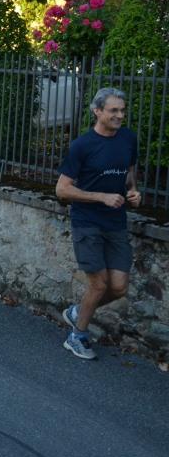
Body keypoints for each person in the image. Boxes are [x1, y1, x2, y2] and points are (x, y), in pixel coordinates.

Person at [56, 87, 140, 360]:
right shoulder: (82, 145)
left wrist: (133, 191)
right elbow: (62, 190)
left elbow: (129, 171)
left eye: (122, 110)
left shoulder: (128, 138)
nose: (120, 115)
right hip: (87, 221)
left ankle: (78, 311)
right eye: (113, 110)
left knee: (119, 287)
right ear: (97, 111)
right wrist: (100, 196)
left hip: (116, 222)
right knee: (100, 284)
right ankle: (77, 335)